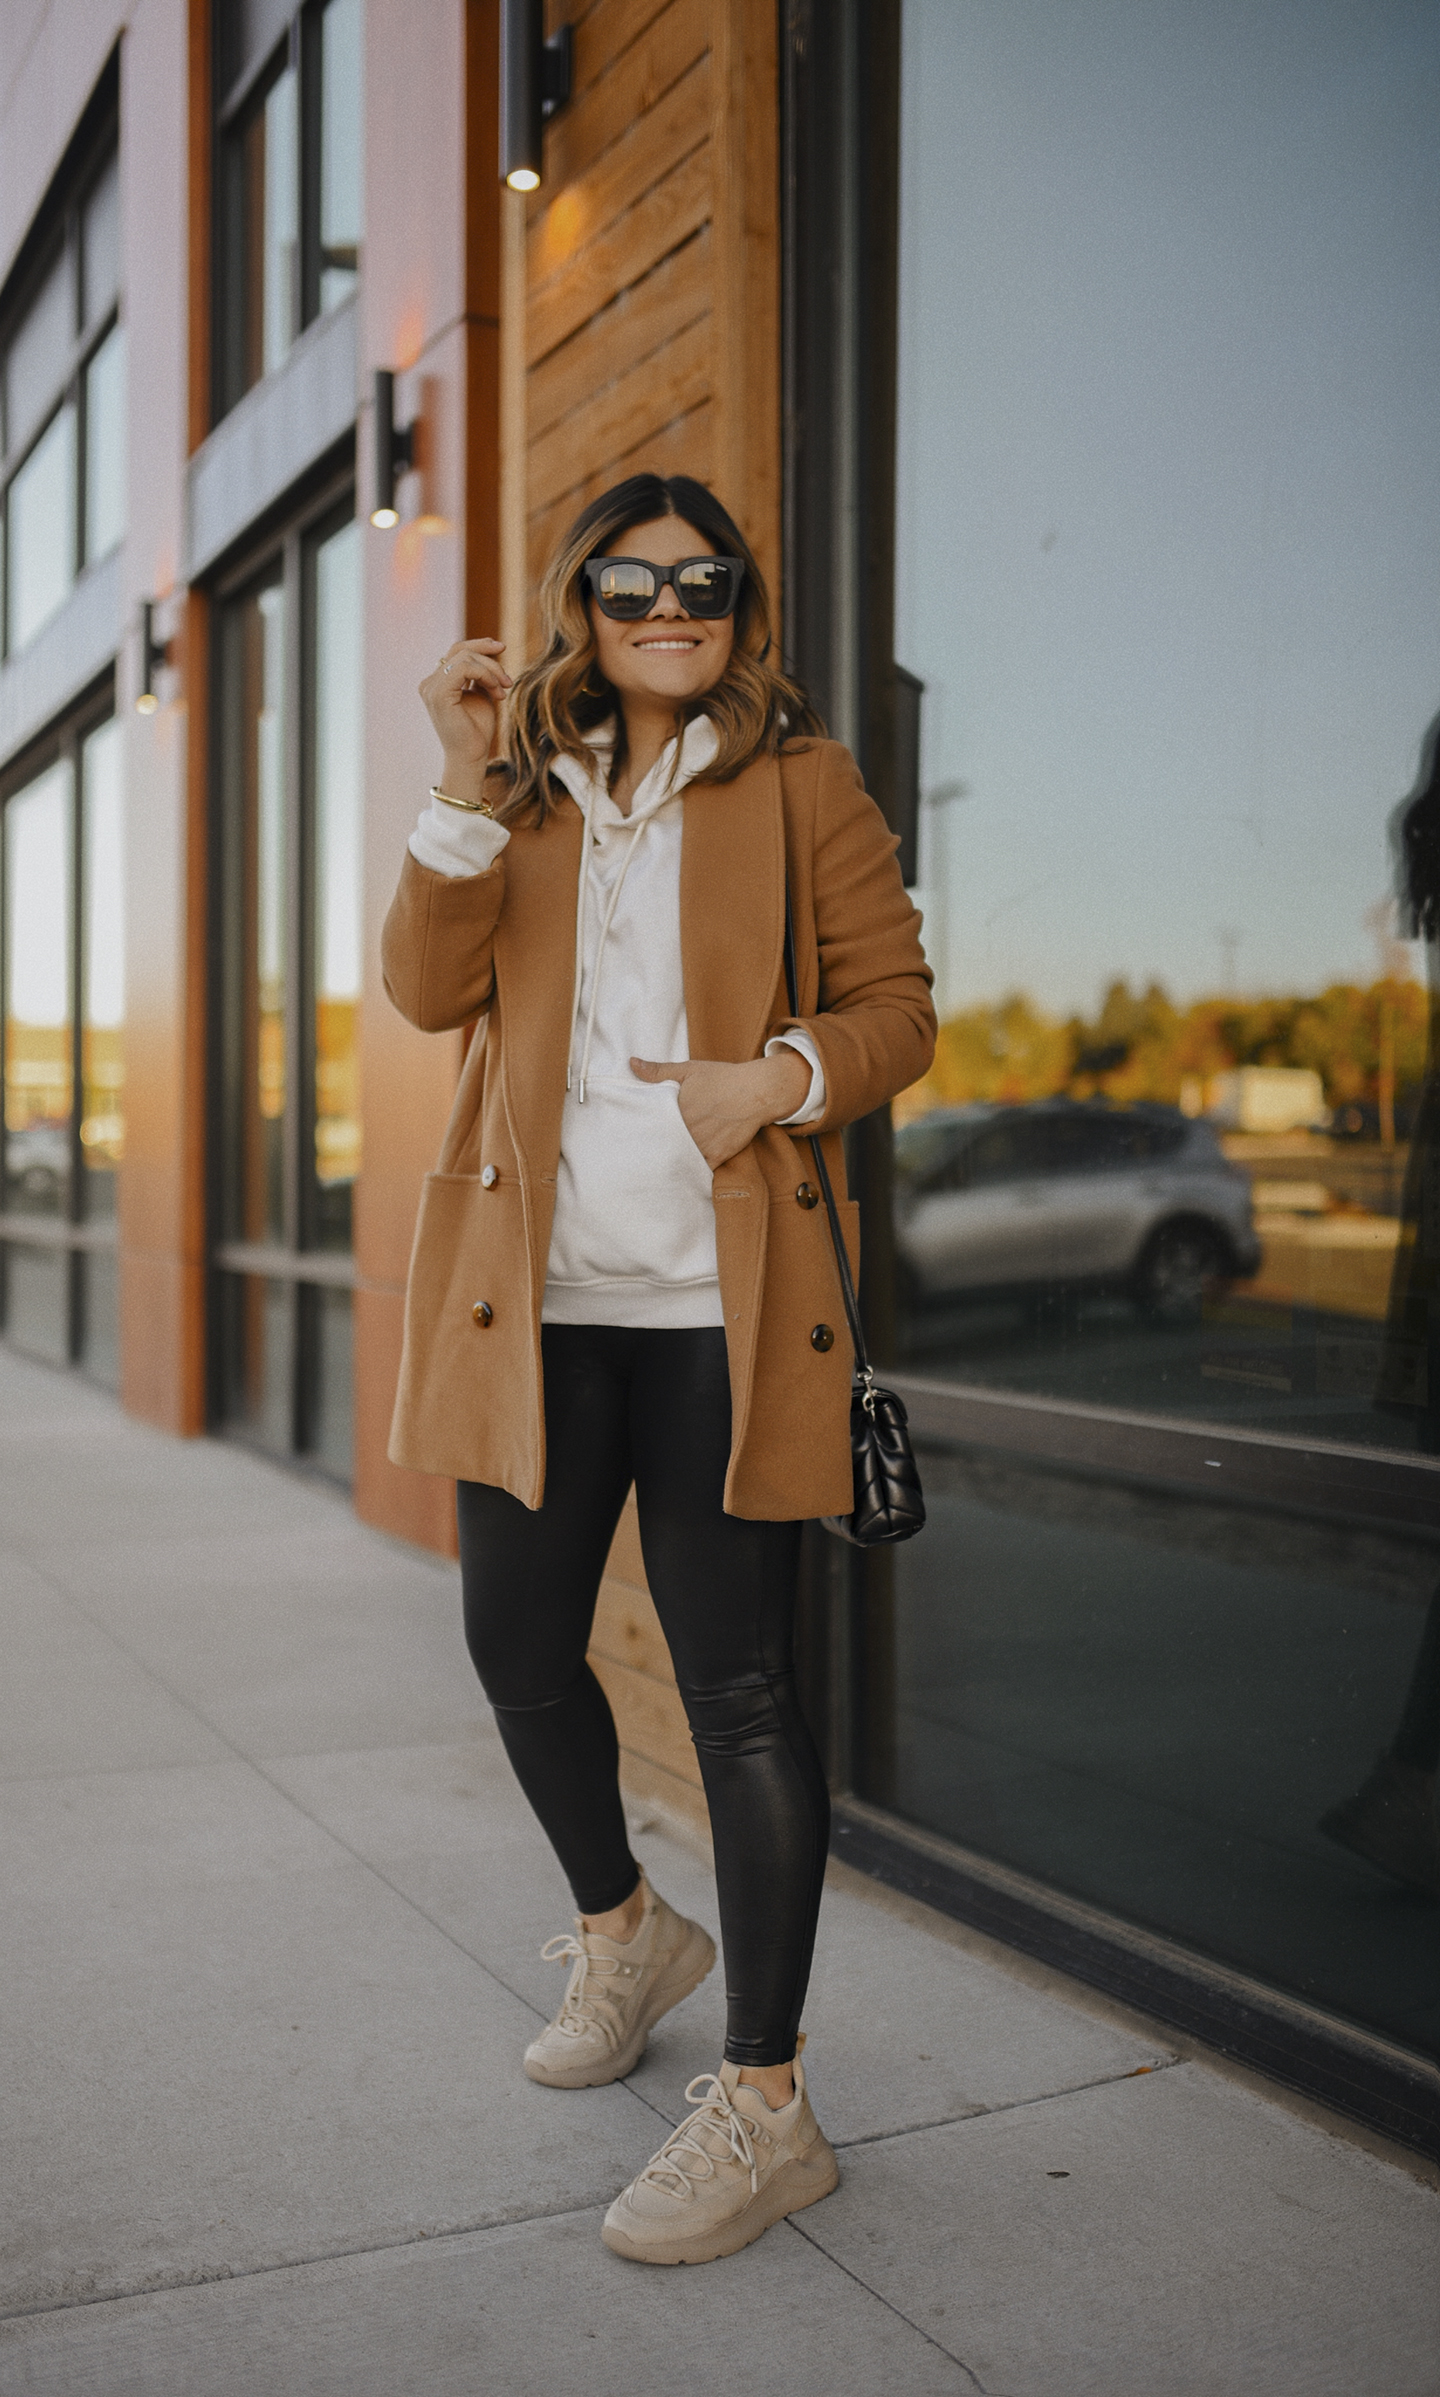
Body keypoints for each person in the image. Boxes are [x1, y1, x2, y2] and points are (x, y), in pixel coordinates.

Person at [381, 472, 936, 2264]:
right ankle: (627, 1928)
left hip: (721, 1315)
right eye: (632, 583)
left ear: (736, 603)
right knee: (517, 1650)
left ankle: (769, 2103)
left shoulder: (803, 782)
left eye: (701, 582)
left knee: (743, 1696)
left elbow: (900, 1008)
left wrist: (771, 1078)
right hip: (531, 1308)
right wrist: (464, 782)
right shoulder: (523, 786)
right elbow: (420, 988)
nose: (668, 606)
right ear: (584, 603)